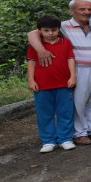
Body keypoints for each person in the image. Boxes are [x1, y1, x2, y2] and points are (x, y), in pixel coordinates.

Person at [28, 0, 91, 147]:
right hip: (79, 69)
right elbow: (33, 33)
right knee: (78, 102)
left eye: (89, 9)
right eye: (82, 9)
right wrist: (41, 50)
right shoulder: (62, 26)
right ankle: (79, 133)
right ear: (71, 11)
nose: (87, 12)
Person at [26, 15, 76, 153]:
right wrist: (31, 80)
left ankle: (65, 138)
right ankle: (48, 140)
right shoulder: (35, 46)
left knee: (65, 112)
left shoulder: (65, 42)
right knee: (44, 114)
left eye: (53, 30)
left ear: (59, 30)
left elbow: (70, 59)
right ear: (40, 31)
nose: (50, 33)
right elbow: (31, 62)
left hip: (64, 84)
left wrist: (73, 76)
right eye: (46, 30)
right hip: (42, 85)